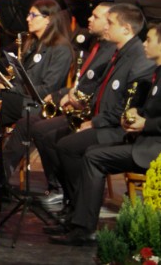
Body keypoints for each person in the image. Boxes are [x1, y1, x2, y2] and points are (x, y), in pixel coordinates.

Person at [49, 21, 161, 247]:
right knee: (89, 152)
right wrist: (134, 113)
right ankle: (79, 221)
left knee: (93, 157)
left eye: (149, 40)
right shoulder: (157, 72)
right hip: (143, 140)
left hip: (153, 148)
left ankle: (83, 227)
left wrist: (145, 124)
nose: (144, 43)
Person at [36, 3, 154, 216]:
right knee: (52, 139)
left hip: (117, 129)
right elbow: (101, 88)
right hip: (104, 121)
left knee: (68, 147)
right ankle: (71, 203)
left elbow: (127, 108)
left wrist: (94, 122)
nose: (105, 26)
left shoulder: (139, 60)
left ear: (126, 29)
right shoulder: (120, 52)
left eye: (110, 23)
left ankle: (78, 208)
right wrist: (82, 103)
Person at [0, 0, 74, 128]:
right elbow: (22, 79)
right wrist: (6, 84)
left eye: (33, 15)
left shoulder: (61, 49)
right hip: (23, 98)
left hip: (38, 105)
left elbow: (48, 89)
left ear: (48, 19)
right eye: (29, 14)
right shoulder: (33, 43)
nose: (28, 19)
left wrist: (12, 89)